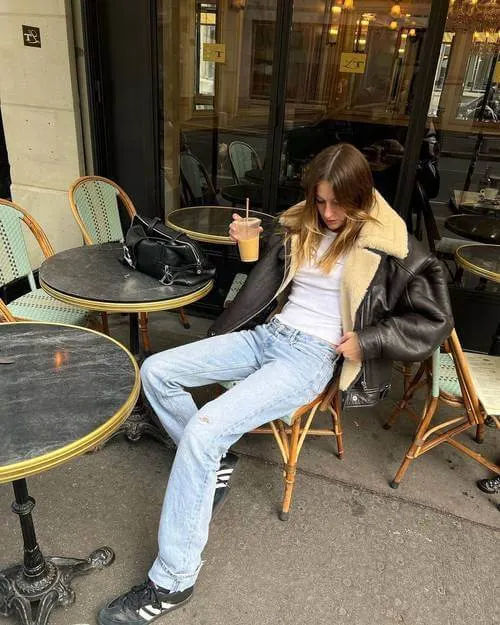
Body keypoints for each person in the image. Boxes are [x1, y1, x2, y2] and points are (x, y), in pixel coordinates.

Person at [98, 144, 453, 625]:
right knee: (157, 371)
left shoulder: (393, 246)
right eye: (319, 200)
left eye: (337, 203)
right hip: (268, 336)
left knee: (205, 428)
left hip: (311, 357)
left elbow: (434, 320)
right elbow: (266, 278)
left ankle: (173, 580)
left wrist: (368, 340)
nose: (327, 213)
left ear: (361, 196)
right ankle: (215, 465)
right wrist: (246, 243)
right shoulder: (300, 224)